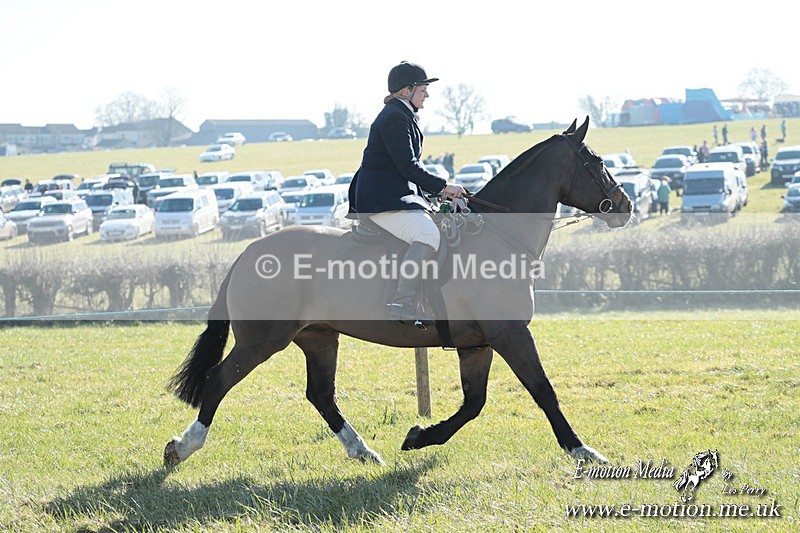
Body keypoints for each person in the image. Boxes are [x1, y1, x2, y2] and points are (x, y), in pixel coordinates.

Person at [348, 61, 466, 323]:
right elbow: (407, 166)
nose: (427, 94)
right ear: (406, 91)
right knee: (427, 234)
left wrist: (435, 194)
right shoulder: (394, 118)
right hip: (382, 199)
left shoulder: (402, 115)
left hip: (394, 196)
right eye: (423, 89)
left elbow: (407, 169)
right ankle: (401, 303)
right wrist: (443, 187)